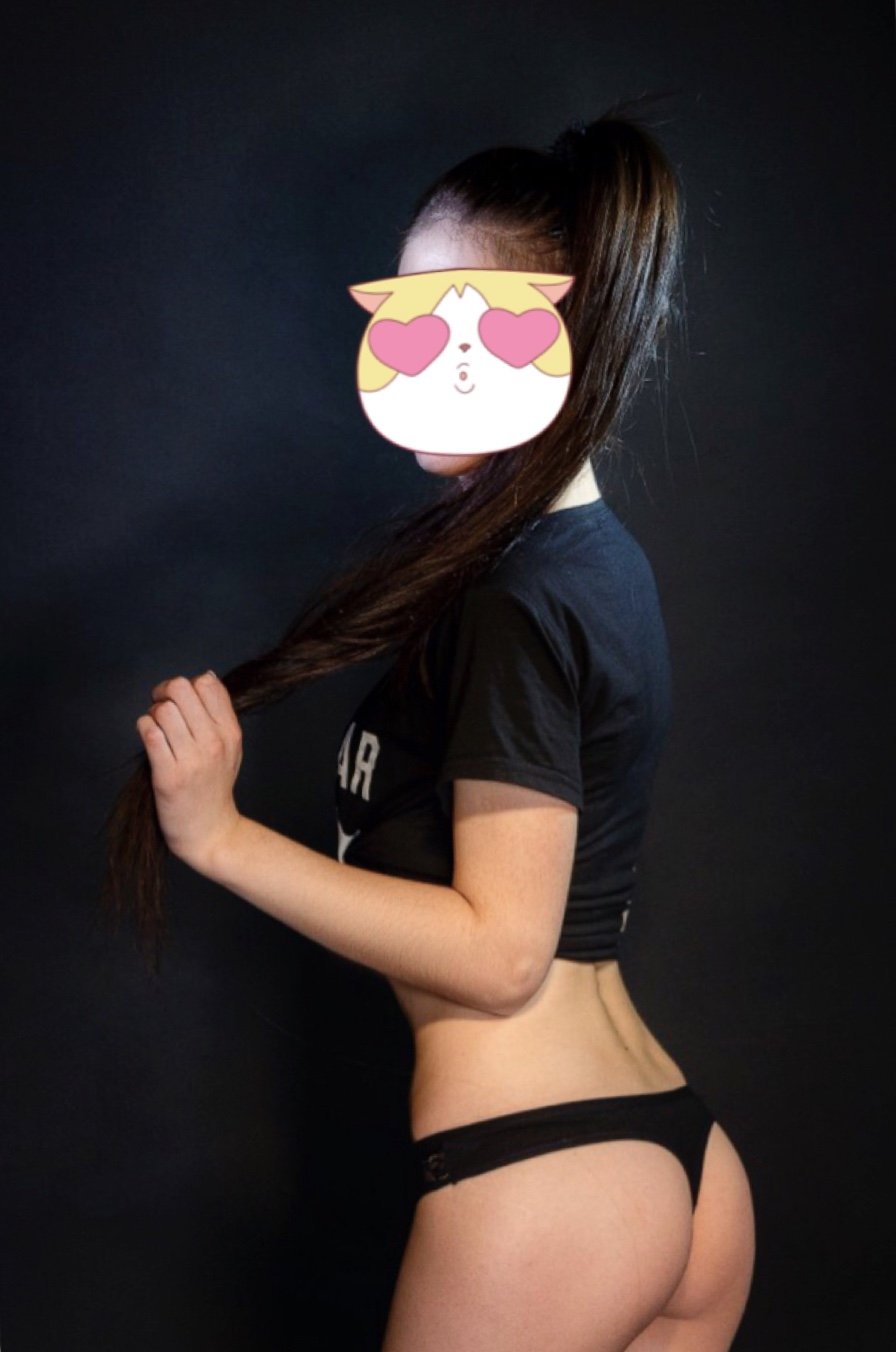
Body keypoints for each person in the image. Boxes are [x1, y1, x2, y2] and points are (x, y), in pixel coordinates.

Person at [106, 102, 755, 1351]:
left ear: (549, 331)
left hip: (544, 1183)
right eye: (394, 320)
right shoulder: (597, 564)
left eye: (438, 319)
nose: (404, 359)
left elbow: (503, 951)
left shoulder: (518, 598)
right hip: (672, 1162)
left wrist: (219, 837)